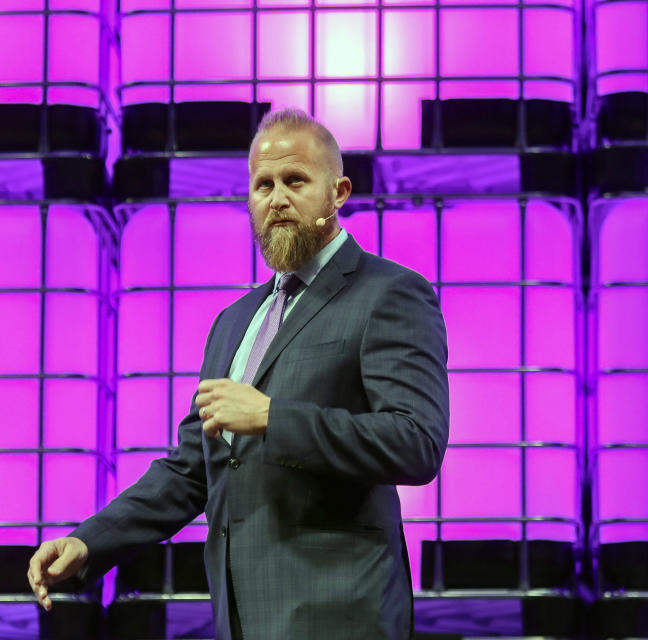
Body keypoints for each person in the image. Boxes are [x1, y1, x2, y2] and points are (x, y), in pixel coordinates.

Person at [27, 108, 449, 640]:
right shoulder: (234, 323)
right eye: (263, 185)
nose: (277, 198)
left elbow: (415, 441)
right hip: (242, 618)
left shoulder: (390, 293)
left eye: (296, 181)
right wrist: (91, 541)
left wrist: (274, 418)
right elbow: (189, 471)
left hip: (343, 616)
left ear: (338, 192)